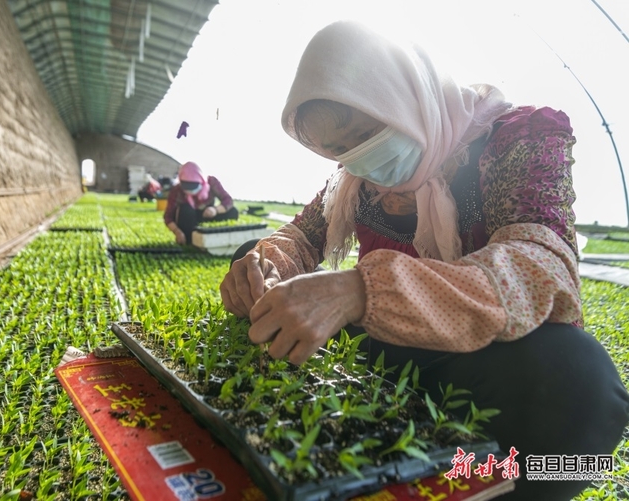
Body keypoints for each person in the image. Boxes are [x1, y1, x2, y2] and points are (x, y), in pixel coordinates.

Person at [219, 21, 629, 500]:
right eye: (335, 148)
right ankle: (387, 454)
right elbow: (301, 236)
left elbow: (539, 263)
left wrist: (360, 290)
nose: (357, 157)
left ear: (404, 96)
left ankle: (502, 487)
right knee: (250, 261)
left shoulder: (515, 139)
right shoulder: (353, 179)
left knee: (580, 384)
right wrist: (264, 267)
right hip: (391, 340)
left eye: (368, 131)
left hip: (481, 351)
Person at [164, 161, 239, 245]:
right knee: (185, 209)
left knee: (233, 211)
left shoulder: (211, 182)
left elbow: (228, 200)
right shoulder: (176, 190)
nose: (191, 191)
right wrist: (177, 232)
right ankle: (189, 240)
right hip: (188, 220)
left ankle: (220, 237)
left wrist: (215, 210)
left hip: (208, 214)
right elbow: (168, 217)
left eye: (193, 186)